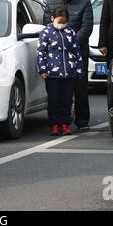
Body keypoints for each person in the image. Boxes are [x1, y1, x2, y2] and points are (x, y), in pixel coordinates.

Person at [43, 0, 93, 130]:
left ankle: (82, 120)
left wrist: (71, 43)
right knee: (58, 94)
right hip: (55, 57)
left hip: (77, 54)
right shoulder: (51, 4)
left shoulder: (84, 2)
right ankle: (60, 122)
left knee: (80, 89)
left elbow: (86, 27)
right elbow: (47, 28)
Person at [38, 7, 84, 136]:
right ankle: (54, 125)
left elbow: (77, 51)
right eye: (59, 21)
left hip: (68, 73)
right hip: (52, 75)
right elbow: (41, 52)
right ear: (52, 19)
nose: (61, 24)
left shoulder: (71, 33)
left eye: (64, 22)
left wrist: (79, 69)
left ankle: (65, 124)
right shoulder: (45, 32)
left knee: (67, 100)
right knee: (54, 100)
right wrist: (42, 69)